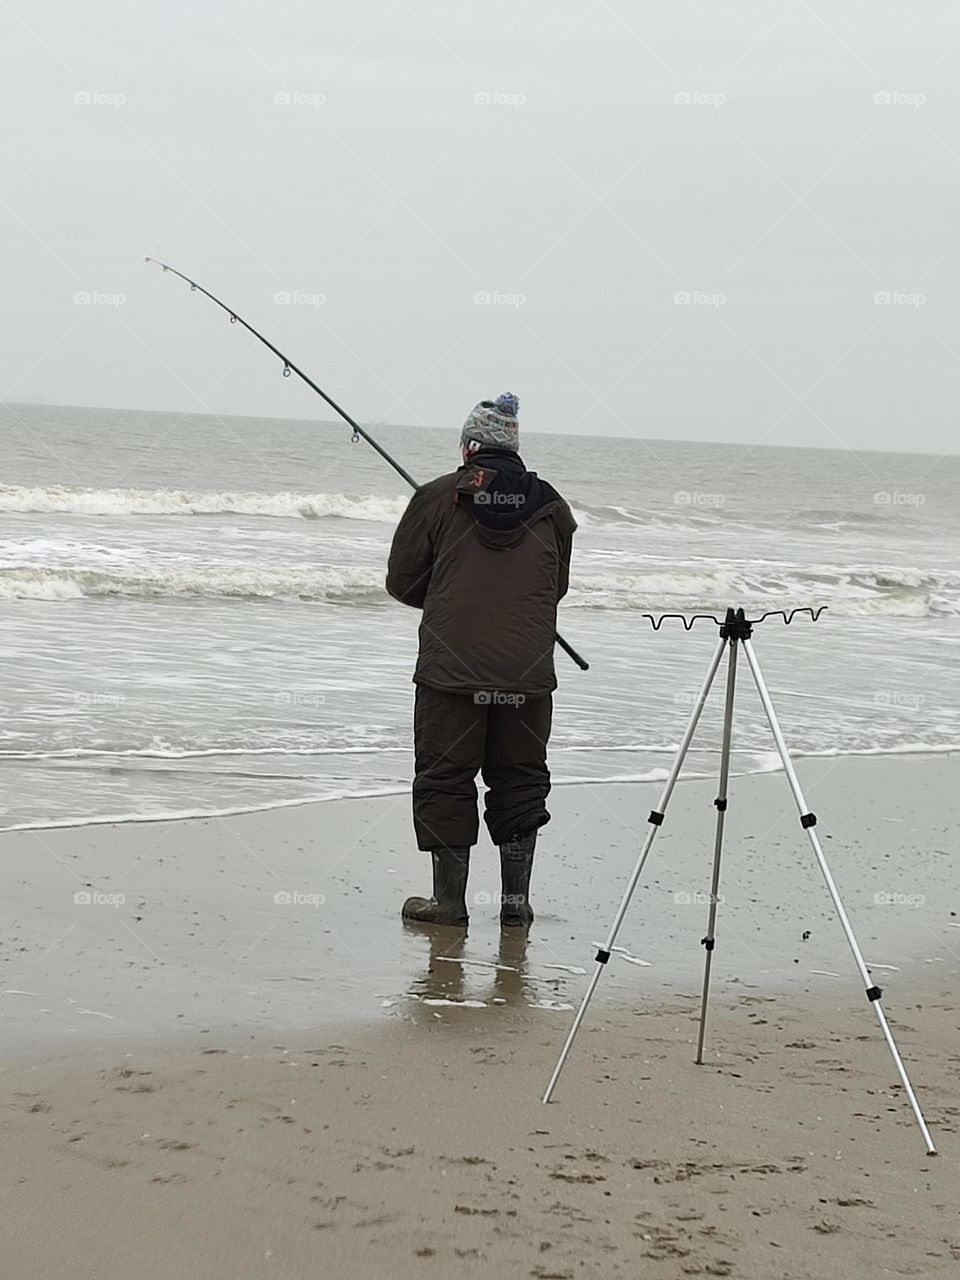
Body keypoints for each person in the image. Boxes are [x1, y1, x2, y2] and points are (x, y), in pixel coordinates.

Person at [386, 392, 576, 929]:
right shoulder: (554, 508)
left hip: (451, 672)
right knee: (519, 778)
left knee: (446, 778)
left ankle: (449, 904)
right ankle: (515, 906)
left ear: (470, 447)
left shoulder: (438, 496)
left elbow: (401, 583)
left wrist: (451, 594)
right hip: (527, 674)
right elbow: (553, 589)